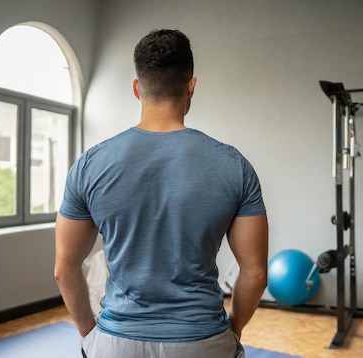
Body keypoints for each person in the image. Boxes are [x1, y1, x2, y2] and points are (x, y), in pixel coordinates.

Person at [54, 29, 268, 358]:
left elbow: (64, 268)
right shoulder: (233, 165)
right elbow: (254, 273)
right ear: (191, 86)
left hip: (116, 342)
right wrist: (234, 329)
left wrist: (89, 335)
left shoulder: (90, 165)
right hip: (203, 340)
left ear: (137, 89)